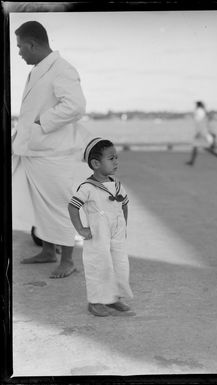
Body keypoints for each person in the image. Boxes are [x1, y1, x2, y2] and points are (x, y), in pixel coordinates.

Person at [12, 21, 86, 278]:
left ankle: (68, 261)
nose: (19, 52)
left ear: (33, 44)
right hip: (34, 149)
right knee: (38, 207)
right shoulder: (39, 69)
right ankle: (47, 250)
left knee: (58, 205)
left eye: (21, 46)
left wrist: (40, 123)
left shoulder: (62, 69)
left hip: (53, 152)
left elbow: (75, 106)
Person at [68, 138, 134, 317]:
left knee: (119, 264)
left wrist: (123, 226)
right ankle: (95, 301)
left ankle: (113, 298)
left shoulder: (117, 185)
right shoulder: (87, 187)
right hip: (99, 235)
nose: (116, 162)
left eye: (116, 157)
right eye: (111, 158)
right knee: (99, 265)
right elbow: (73, 206)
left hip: (116, 233)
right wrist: (81, 229)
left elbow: (124, 205)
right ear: (96, 163)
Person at [186, 101, 217, 166]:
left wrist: (199, 132)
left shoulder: (199, 112)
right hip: (202, 132)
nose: (195, 106)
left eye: (196, 105)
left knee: (201, 147)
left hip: (202, 132)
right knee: (197, 146)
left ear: (198, 105)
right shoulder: (202, 111)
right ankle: (192, 161)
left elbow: (201, 123)